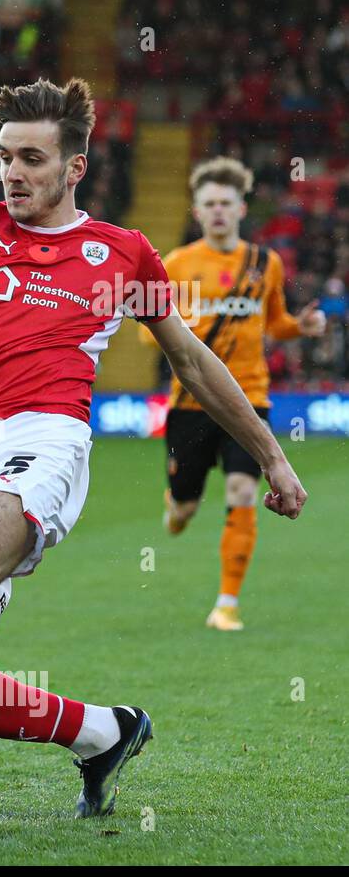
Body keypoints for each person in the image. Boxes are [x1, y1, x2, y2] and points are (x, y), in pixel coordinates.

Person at [0, 80, 308, 817]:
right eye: (5, 157)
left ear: (75, 167)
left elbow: (192, 363)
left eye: (32, 158)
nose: (12, 173)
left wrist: (272, 455)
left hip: (44, 435)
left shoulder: (123, 254)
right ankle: (104, 731)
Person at [141, 157, 325, 630]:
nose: (218, 211)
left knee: (243, 490)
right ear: (197, 212)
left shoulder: (267, 263)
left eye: (226, 203)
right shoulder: (177, 264)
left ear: (241, 209)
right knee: (183, 506)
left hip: (250, 398)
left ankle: (226, 604)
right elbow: (150, 333)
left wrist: (299, 328)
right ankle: (178, 507)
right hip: (191, 402)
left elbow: (276, 322)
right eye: (209, 204)